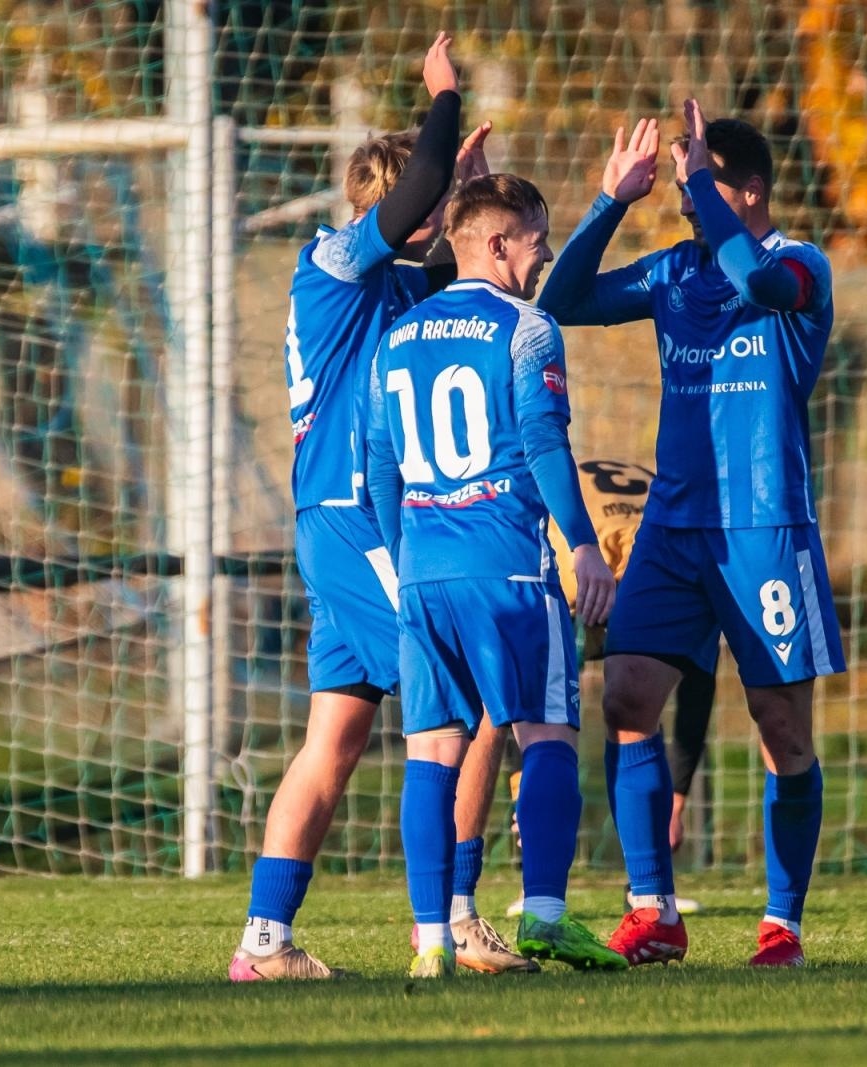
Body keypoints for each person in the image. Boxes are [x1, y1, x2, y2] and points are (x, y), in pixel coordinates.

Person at [230, 35, 530, 981]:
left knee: (336, 735)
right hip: (358, 524)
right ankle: (451, 916)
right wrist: (444, 103)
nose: (443, 215)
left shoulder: (406, 280)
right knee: (476, 705)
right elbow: (419, 193)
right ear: (402, 203)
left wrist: (470, 192)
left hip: (351, 525)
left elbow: (454, 263)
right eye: (436, 203)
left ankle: (264, 941)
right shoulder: (334, 263)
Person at [538, 101, 845, 968]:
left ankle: (781, 923)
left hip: (764, 531)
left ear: (745, 192)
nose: (686, 208)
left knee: (782, 730)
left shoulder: (799, 266)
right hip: (672, 529)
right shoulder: (674, 272)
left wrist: (699, 180)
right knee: (627, 699)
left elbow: (758, 286)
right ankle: (654, 908)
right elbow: (561, 300)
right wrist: (610, 203)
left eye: (699, 194)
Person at [366, 173, 627, 977]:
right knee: (547, 729)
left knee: (432, 750)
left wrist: (400, 557)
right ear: (494, 242)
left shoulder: (398, 334)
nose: (543, 257)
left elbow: (379, 465)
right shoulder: (528, 329)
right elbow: (546, 445)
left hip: (423, 573)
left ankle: (432, 942)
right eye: (535, 242)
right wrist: (582, 543)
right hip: (508, 566)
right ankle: (546, 914)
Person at [504, 457, 716, 918]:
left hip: (640, 559)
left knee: (647, 698)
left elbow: (698, 682)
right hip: (578, 565)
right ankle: (533, 876)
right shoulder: (567, 568)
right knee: (534, 709)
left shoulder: (679, 577)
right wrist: (525, 796)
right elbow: (520, 698)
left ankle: (647, 886)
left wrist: (677, 800)